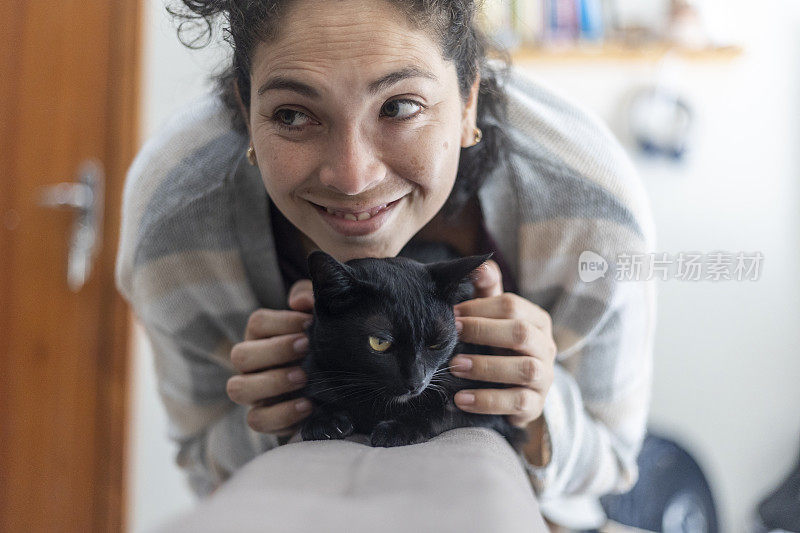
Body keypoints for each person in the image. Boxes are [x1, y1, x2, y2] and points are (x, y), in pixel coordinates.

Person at [115, 0, 657, 530]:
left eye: (399, 107)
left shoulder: (590, 215)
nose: (352, 178)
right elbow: (201, 465)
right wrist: (269, 420)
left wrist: (538, 405)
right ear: (245, 106)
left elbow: (612, 466)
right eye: (293, 114)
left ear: (469, 102)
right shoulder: (176, 230)